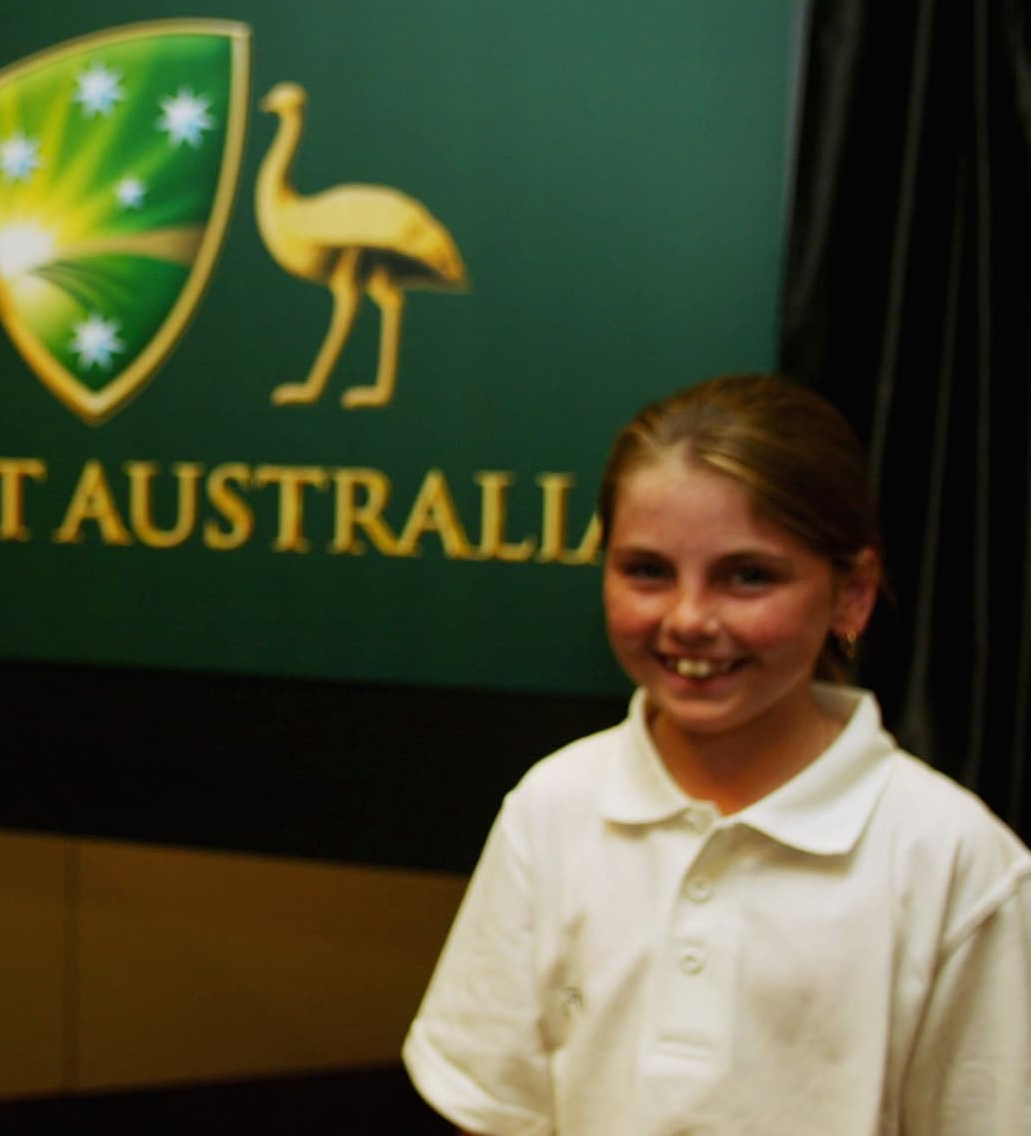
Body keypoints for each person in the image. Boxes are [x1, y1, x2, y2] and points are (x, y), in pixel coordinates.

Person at [403, 373, 1031, 1133]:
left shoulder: (953, 858)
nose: (690, 618)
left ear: (852, 593)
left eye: (748, 576)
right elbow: (495, 1106)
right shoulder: (553, 807)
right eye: (648, 570)